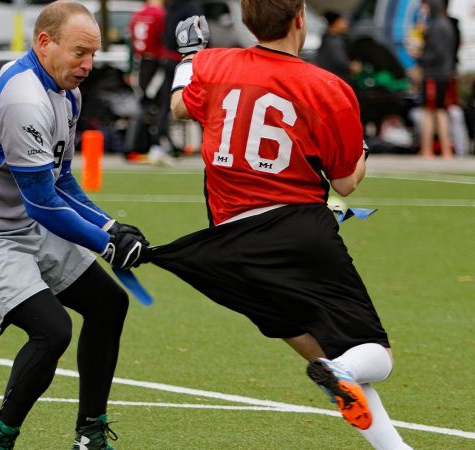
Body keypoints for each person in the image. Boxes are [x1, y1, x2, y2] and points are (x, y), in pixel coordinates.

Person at [148, 3, 413, 448]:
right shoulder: (327, 86)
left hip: (231, 244)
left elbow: (178, 106)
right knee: (374, 356)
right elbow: (346, 183)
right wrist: (361, 148)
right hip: (298, 231)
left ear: (249, 21)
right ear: (299, 19)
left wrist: (190, 57)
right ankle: (346, 373)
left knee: (332, 360)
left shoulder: (214, 64)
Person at [0, 2, 148, 449]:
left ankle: (90, 436)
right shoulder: (24, 98)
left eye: (94, 54)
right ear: (44, 43)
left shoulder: (67, 91)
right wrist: (107, 244)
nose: (88, 65)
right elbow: (45, 203)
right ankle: (0, 441)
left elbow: (61, 180)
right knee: (52, 330)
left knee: (109, 305)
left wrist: (111, 225)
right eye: (80, 52)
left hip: (20, 219)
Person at [145, 0, 204, 166]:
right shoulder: (192, 7)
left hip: (170, 59)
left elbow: (165, 35)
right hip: (189, 60)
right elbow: (200, 35)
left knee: (166, 105)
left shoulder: (170, 8)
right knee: (201, 102)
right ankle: (208, 143)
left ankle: (157, 145)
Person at [127, 0, 166, 158]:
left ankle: (139, 145)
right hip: (154, 64)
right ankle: (145, 145)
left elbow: (130, 44)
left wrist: (130, 69)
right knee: (155, 105)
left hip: (140, 63)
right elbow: (164, 40)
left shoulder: (137, 15)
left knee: (144, 103)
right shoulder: (159, 15)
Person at [417, 0, 456, 158]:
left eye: (425, 5)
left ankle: (427, 149)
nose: (423, 9)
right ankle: (445, 150)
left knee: (430, 111)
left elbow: (436, 53)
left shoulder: (438, 26)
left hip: (434, 74)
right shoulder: (445, 24)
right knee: (439, 111)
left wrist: (421, 57)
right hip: (443, 73)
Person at [315, 11, 361, 85]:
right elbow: (340, 61)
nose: (346, 24)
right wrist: (352, 67)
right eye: (342, 22)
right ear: (336, 23)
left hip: (327, 78)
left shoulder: (327, 38)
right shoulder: (333, 41)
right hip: (334, 80)